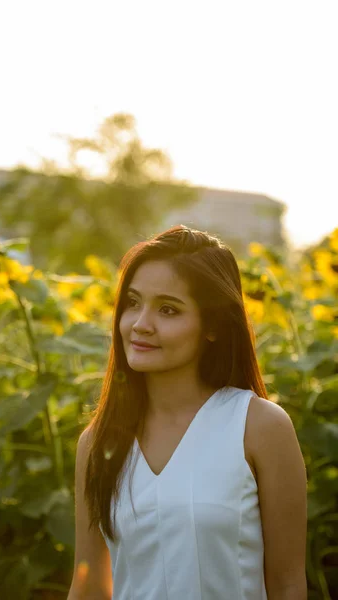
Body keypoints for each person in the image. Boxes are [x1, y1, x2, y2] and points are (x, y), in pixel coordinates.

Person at [67, 225, 308, 600]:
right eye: (132, 302)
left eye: (167, 309)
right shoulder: (98, 442)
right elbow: (89, 587)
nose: (140, 324)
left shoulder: (260, 427)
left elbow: (288, 585)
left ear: (212, 325)